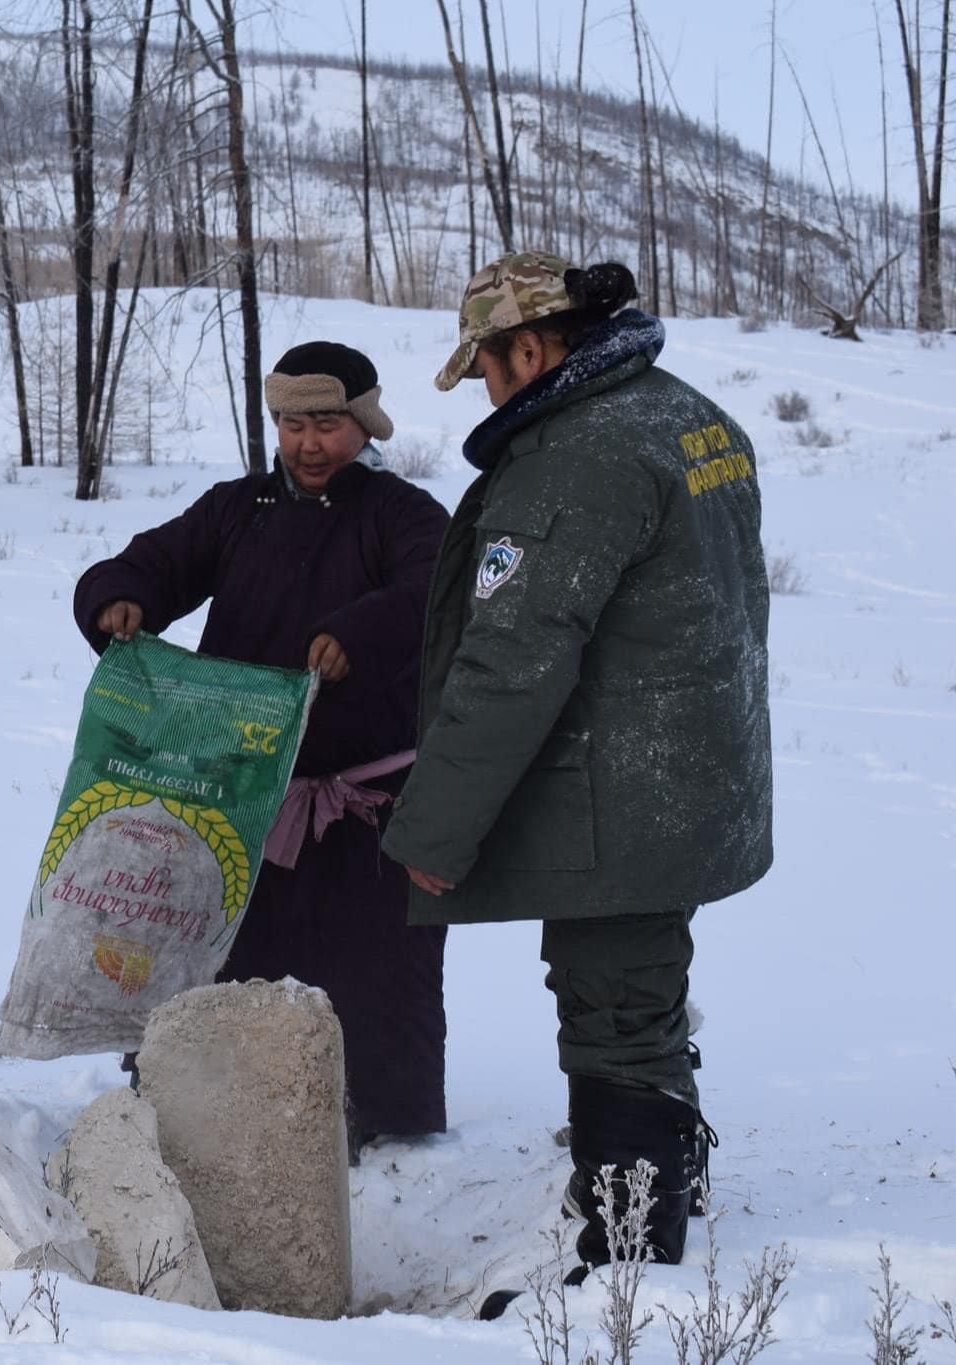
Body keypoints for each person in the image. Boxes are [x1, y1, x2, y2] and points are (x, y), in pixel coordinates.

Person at [381, 252, 772, 1272]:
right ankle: (656, 1171)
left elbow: (511, 661)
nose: (486, 389)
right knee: (638, 987)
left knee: (607, 1005)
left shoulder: (576, 456)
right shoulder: (681, 415)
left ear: (529, 346)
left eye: (486, 368)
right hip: (688, 767)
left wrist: (436, 829)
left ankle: (627, 1255)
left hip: (618, 787)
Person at [74, 341, 451, 1156]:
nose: (309, 444)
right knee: (218, 960)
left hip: (365, 805)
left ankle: (388, 1137)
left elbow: (434, 595)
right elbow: (158, 560)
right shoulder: (237, 510)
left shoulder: (403, 514)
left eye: (327, 424)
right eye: (291, 425)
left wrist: (358, 633)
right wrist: (119, 596)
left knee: (375, 971)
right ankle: (200, 1107)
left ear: (364, 423)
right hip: (237, 794)